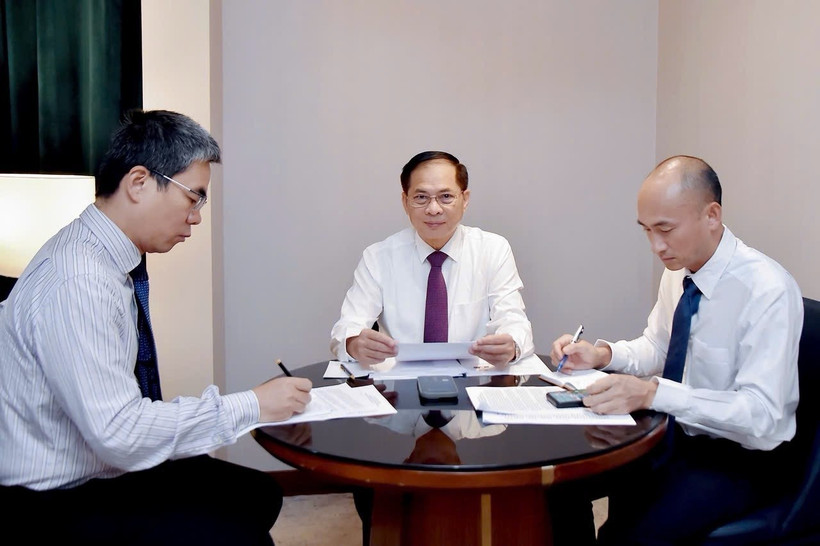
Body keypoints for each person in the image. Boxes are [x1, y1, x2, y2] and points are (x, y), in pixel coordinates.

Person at [0, 110, 312, 545]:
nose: (196, 217)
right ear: (139, 182)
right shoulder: (81, 280)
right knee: (238, 532)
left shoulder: (103, 256)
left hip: (98, 462)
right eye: (194, 197)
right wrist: (252, 405)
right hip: (54, 496)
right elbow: (120, 433)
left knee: (258, 493)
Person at [549, 155, 803, 545]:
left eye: (665, 229)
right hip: (672, 435)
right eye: (647, 230)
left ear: (712, 215)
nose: (656, 246)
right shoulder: (679, 272)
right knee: (559, 487)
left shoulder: (767, 290)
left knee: (628, 536)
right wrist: (603, 356)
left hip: (740, 458)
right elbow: (658, 346)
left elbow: (762, 415)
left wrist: (654, 393)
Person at [330, 150, 534, 368]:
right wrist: (354, 344)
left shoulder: (493, 249)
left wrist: (511, 345)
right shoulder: (378, 257)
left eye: (446, 197)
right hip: (400, 380)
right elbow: (348, 327)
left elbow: (513, 320)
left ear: (465, 199)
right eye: (421, 197)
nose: (433, 209)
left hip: (475, 378)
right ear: (405, 201)